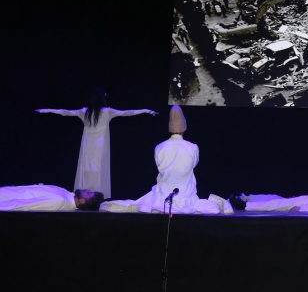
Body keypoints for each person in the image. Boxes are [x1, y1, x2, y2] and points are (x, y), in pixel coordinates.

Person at [99, 106, 231, 215]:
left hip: (164, 192)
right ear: (184, 127)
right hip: (185, 193)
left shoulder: (159, 147)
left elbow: (159, 165)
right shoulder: (193, 147)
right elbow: (194, 165)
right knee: (212, 207)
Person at [37, 88, 158, 198]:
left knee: (87, 168)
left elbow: (64, 112)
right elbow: (127, 113)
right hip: (99, 146)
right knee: (96, 169)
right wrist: (146, 110)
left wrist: (45, 110)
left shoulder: (86, 111)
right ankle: (91, 195)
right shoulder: (104, 112)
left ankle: (89, 195)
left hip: (88, 145)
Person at [0, 185, 105, 212]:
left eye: (89, 193)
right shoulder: (68, 194)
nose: (88, 189)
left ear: (82, 201)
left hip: (4, 198)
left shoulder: (61, 201)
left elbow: (24, 205)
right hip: (7, 192)